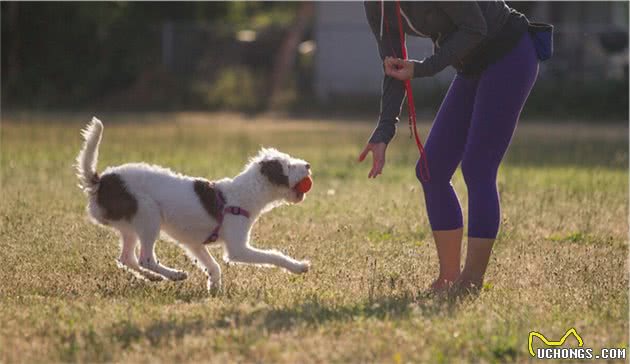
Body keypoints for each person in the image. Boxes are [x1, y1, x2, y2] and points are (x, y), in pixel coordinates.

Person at [358, 1, 551, 293]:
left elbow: (476, 28)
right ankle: (448, 278)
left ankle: (471, 281)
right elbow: (394, 65)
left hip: (509, 53)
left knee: (477, 168)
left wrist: (424, 69)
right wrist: (384, 132)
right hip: (471, 66)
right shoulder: (376, 4)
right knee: (431, 170)